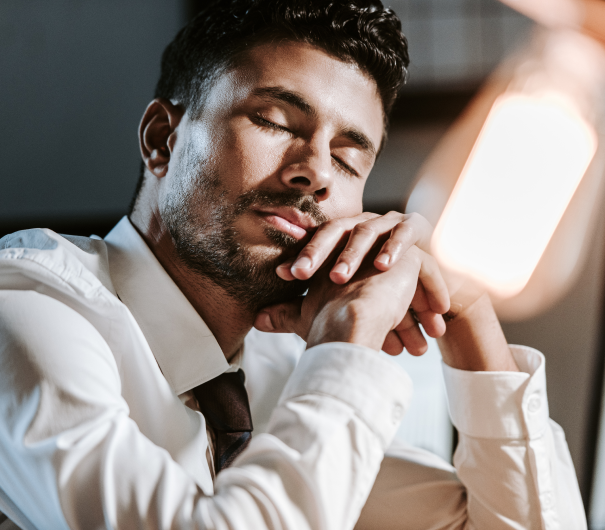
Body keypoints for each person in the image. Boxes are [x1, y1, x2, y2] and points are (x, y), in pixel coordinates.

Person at [0, 0, 586, 528]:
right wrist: (347, 341)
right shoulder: (28, 306)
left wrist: (465, 311)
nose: (317, 172)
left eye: (349, 158)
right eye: (275, 121)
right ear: (162, 139)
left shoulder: (282, 374)